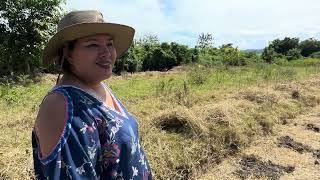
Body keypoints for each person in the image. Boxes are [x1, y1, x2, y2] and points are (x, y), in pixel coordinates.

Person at [32, 10, 152, 180]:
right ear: (68, 54)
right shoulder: (62, 105)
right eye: (93, 45)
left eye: (109, 44)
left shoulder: (98, 85)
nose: (107, 53)